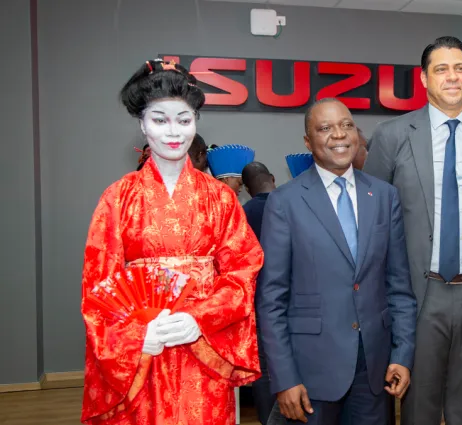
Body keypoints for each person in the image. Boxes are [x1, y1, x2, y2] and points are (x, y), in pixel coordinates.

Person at [80, 58, 263, 425]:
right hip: (145, 349)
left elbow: (243, 271)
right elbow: (98, 287)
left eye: (184, 119)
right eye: (160, 120)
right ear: (142, 123)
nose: (173, 132)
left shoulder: (221, 198)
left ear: (196, 121)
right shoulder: (117, 198)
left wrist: (200, 318)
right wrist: (134, 336)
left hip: (204, 344)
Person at [363, 36, 462, 424]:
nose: (452, 77)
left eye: (460, 68)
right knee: (418, 408)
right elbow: (373, 218)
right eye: (442, 69)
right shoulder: (393, 135)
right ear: (424, 79)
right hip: (418, 295)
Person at [258, 98, 417, 425]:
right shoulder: (285, 202)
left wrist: (403, 354)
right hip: (310, 371)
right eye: (325, 128)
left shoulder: (384, 196)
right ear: (308, 142)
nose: (339, 135)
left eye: (346, 125)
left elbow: (399, 286)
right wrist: (284, 378)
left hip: (373, 370)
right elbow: (271, 299)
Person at [241, 161, 283, 425]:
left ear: (247, 188)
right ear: (273, 178)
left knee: (263, 369)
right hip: (292, 301)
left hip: (258, 301)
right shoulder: (292, 205)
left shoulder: (243, 213)